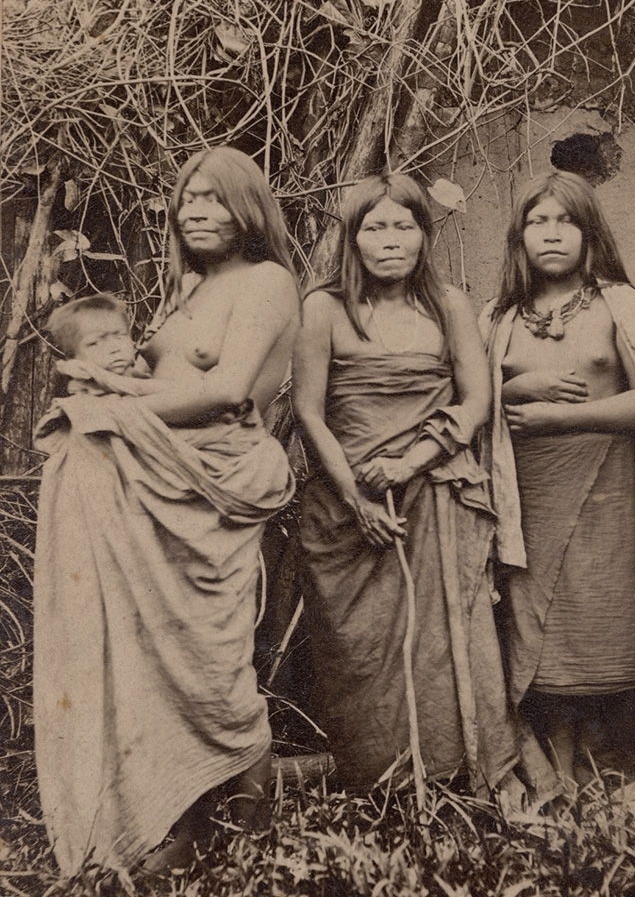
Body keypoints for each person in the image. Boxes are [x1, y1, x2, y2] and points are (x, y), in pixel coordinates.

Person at [33, 147, 299, 876]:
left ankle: (243, 819)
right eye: (188, 199)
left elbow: (227, 391)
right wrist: (101, 382)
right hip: (165, 476)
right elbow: (162, 382)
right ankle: (178, 814)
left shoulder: (268, 281)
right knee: (160, 651)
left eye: (215, 198)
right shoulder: (190, 286)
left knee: (214, 656)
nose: (197, 212)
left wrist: (111, 403)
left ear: (248, 208)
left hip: (219, 480)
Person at [479, 169, 635, 794]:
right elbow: (471, 406)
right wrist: (518, 386)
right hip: (526, 502)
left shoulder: (619, 305)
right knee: (538, 630)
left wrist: (563, 417)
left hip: (606, 497)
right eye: (537, 221)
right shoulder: (498, 318)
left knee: (605, 623)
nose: (551, 234)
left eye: (567, 221)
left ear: (590, 234)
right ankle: (552, 762)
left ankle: (610, 757)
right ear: (519, 236)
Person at [292, 172, 531, 800]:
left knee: (448, 635)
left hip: (433, 493)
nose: (390, 241)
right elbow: (308, 412)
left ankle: (457, 767)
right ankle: (384, 780)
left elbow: (476, 401)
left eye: (404, 226)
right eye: (375, 228)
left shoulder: (448, 305)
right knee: (362, 646)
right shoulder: (323, 308)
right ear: (354, 238)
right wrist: (357, 501)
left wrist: (410, 462)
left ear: (425, 235)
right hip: (347, 508)